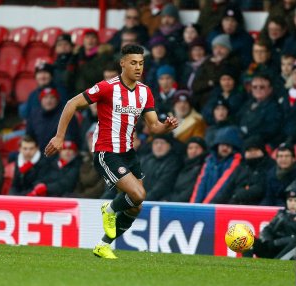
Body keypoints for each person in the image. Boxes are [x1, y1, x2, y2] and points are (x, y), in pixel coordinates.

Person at [44, 44, 179, 259]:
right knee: (138, 194)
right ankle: (108, 209)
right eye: (133, 63)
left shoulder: (145, 92)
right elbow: (71, 104)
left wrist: (166, 126)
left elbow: (154, 126)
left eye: (141, 64)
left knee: (135, 206)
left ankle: (103, 245)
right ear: (122, 63)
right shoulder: (107, 87)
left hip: (128, 153)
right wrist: (59, 136)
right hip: (106, 151)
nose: (138, 68)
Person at [248, 181, 296, 259]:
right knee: (246, 238)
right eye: (290, 200)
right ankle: (246, 266)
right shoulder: (281, 214)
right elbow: (267, 229)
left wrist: (276, 242)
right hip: (275, 250)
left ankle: (275, 264)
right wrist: (268, 241)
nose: (292, 204)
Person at [211, 135, 275, 205]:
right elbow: (228, 189)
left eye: (255, 149)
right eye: (249, 150)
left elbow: (262, 189)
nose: (252, 153)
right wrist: (214, 204)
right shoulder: (241, 168)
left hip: (258, 207)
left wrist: (239, 195)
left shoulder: (270, 166)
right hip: (236, 205)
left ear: (262, 151)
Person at [189, 126, 242, 204]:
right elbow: (200, 185)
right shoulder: (209, 161)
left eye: (228, 146)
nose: (225, 148)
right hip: (206, 207)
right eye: (222, 145)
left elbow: (223, 186)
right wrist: (193, 206)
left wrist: (205, 206)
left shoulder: (235, 161)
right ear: (217, 146)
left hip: (219, 207)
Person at [141, 134, 182, 201]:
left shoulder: (174, 162)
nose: (159, 146)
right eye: (156, 143)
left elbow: (163, 185)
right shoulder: (145, 160)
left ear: (169, 146)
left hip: (160, 202)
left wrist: (144, 200)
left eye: (162, 143)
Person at [166, 137, 208, 202]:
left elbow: (190, 191)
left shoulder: (203, 167)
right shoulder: (182, 165)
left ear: (203, 150)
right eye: (190, 148)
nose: (193, 151)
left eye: (197, 147)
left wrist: (172, 201)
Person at [261, 142, 296, 207]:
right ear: (276, 159)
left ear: (293, 159)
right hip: (274, 208)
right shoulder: (271, 173)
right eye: (280, 156)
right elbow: (269, 197)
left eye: (287, 156)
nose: (283, 159)